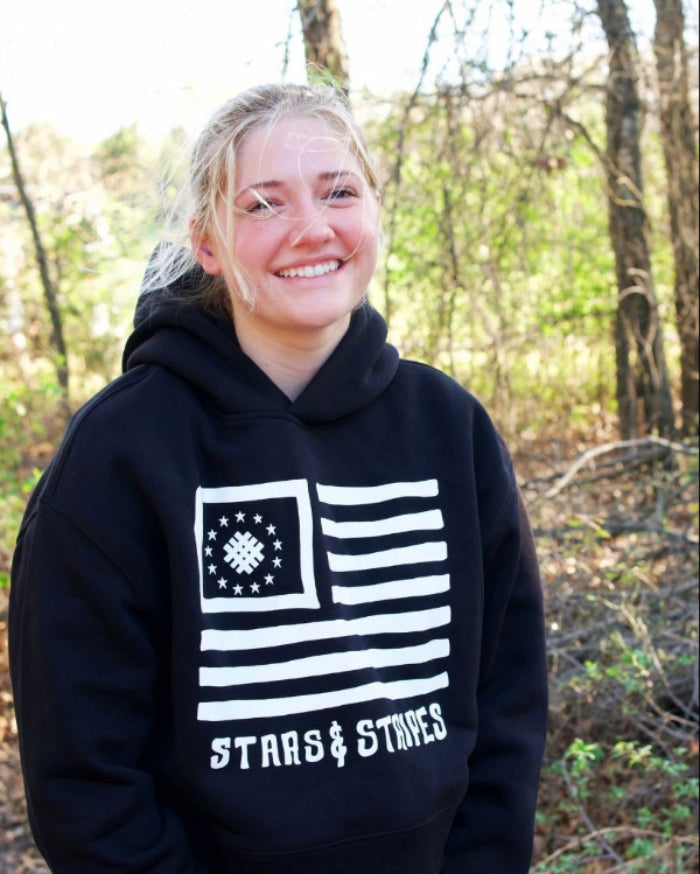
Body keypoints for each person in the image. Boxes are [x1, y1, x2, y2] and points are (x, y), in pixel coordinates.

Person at [9, 82, 548, 873]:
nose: (312, 228)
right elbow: (86, 777)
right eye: (263, 205)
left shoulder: (449, 426)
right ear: (206, 243)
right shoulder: (119, 454)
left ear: (372, 210)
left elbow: (507, 703)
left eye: (339, 191)